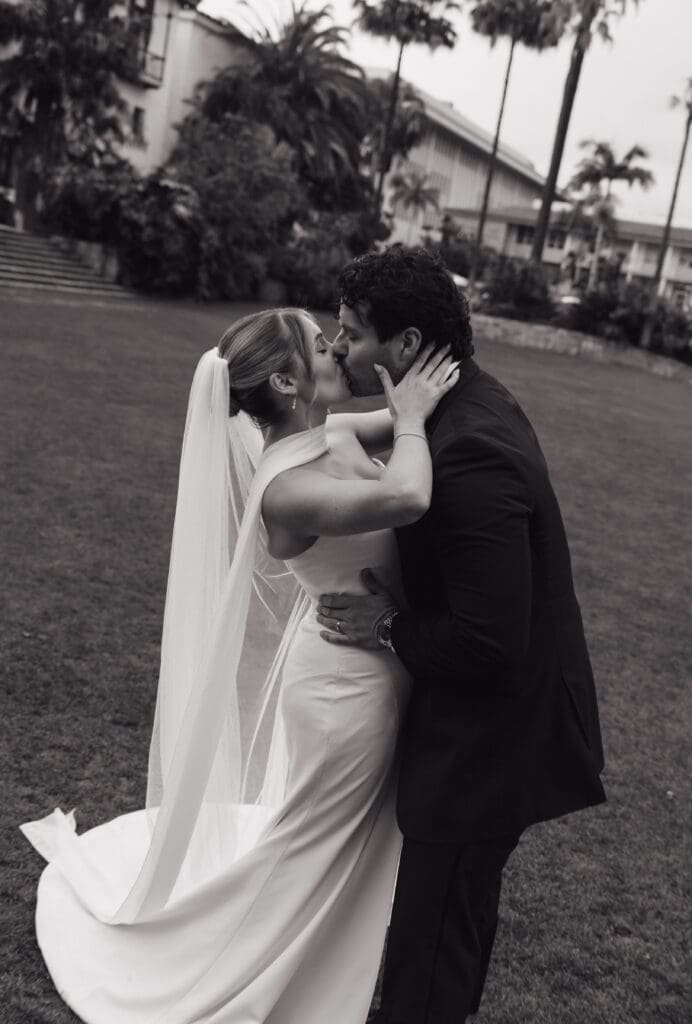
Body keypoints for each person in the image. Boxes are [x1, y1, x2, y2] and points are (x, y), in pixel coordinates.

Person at [20, 307, 459, 1024]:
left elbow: (412, 416)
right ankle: (224, 978)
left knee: (328, 846)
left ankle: (310, 974)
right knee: (308, 850)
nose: (338, 348)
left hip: (372, 663)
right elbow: (407, 494)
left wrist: (416, 395)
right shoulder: (285, 487)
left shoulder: (333, 433)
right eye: (323, 345)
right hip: (346, 691)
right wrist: (409, 417)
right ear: (286, 382)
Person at [317, 246, 607, 1024]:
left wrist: (385, 624)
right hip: (487, 732)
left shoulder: (473, 448)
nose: (338, 347)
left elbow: (489, 642)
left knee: (433, 947)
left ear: (407, 345)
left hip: (487, 749)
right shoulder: (464, 399)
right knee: (443, 931)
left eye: (351, 334)